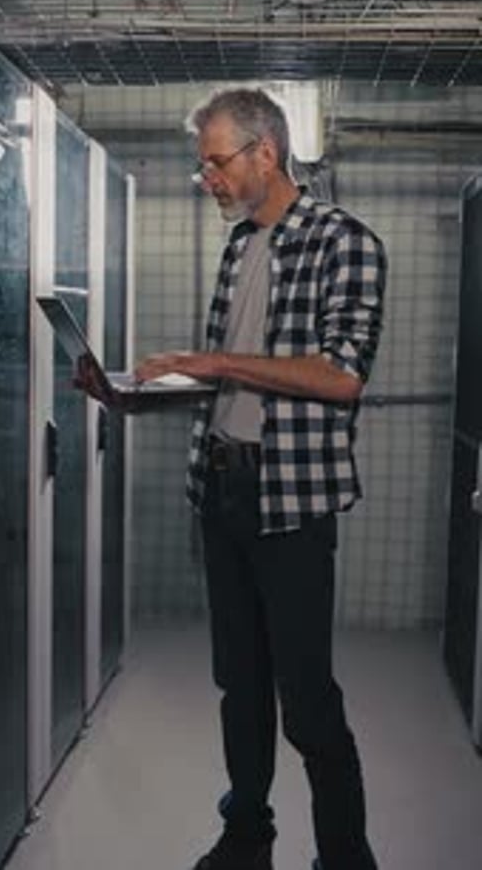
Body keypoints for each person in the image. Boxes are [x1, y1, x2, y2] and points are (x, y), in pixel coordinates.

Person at [78, 87, 387, 870]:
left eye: (215, 162)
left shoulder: (344, 240)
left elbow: (342, 375)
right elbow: (229, 389)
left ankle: (346, 857)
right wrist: (132, 393)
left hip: (291, 503)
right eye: (203, 165)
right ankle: (247, 837)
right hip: (222, 490)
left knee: (306, 701)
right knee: (239, 685)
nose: (207, 177)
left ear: (266, 153)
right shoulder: (241, 244)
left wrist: (211, 359)